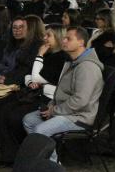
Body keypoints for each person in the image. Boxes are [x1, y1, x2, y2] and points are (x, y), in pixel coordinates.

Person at [22, 26, 103, 162]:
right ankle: (46, 158)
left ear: (81, 42)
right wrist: (51, 105)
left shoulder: (87, 67)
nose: (63, 41)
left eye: (68, 38)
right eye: (64, 37)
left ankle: (52, 165)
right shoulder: (72, 62)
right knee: (29, 120)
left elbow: (80, 101)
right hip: (66, 110)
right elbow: (61, 91)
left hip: (79, 117)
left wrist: (54, 111)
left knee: (40, 130)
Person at [0, 25, 69, 167]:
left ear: (57, 38)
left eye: (49, 36)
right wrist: (33, 81)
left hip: (49, 99)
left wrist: (39, 57)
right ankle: (9, 155)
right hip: (36, 93)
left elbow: (37, 77)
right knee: (5, 110)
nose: (45, 38)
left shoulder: (60, 58)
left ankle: (23, 153)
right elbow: (30, 77)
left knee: (15, 116)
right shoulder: (49, 54)